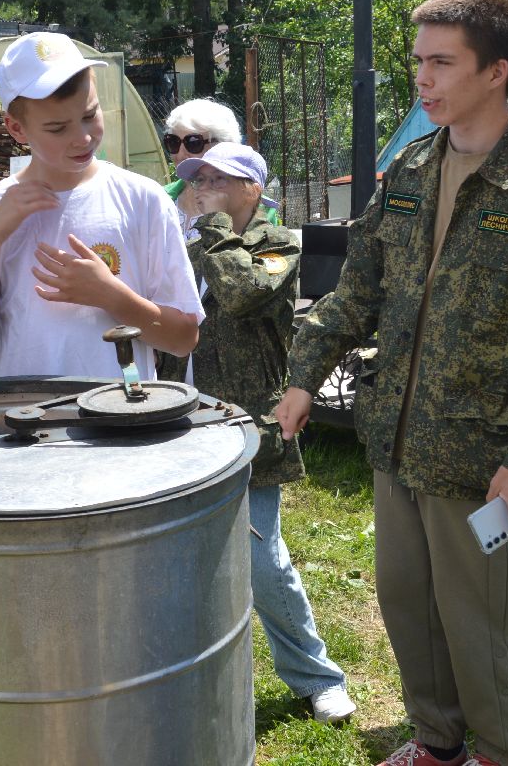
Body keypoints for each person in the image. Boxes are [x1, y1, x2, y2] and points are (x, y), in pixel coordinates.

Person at [272, 0, 508, 766]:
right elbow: (360, 288)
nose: (421, 78)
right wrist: (303, 371)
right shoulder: (415, 166)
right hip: (396, 437)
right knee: (407, 605)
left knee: (480, 620)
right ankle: (437, 739)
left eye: (440, 62)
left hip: (481, 457)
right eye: (417, 61)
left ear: (496, 72)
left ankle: (495, 750)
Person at [172, 142, 356, 725]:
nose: (202, 186)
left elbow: (242, 293)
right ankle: (191, 669)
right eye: (196, 179)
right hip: (184, 418)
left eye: (216, 178)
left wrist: (212, 230)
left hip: (251, 420)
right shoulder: (191, 242)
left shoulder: (278, 245)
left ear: (252, 187)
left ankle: (317, 675)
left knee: (260, 557)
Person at [0, 31, 202, 382]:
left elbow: (184, 339)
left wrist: (112, 296)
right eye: (58, 128)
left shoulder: (144, 200)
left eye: (90, 114)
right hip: (22, 428)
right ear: (16, 128)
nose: (83, 137)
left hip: (121, 427)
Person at [162, 98, 244, 233]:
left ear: (223, 146)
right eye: (173, 142)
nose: (180, 155)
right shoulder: (157, 197)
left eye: (193, 143)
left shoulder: (253, 207)